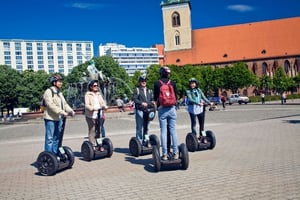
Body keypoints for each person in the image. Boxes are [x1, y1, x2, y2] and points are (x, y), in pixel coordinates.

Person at [43, 74, 75, 155]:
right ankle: (48, 156)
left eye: (61, 81)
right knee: (50, 139)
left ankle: (55, 154)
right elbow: (50, 105)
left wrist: (71, 111)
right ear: (54, 82)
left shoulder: (59, 93)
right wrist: (61, 112)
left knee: (57, 138)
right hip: (50, 118)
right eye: (59, 81)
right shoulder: (48, 92)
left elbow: (64, 104)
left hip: (59, 118)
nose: (61, 83)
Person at [154, 66, 179, 160]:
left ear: (160, 73)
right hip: (172, 109)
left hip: (163, 109)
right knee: (173, 131)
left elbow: (155, 98)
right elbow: (176, 96)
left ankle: (164, 154)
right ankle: (176, 152)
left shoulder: (157, 83)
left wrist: (157, 107)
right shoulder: (173, 83)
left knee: (163, 131)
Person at [186, 78, 213, 144]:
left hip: (200, 108)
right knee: (194, 124)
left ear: (196, 84)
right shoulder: (188, 91)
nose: (192, 84)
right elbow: (190, 99)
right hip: (192, 109)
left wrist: (209, 102)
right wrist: (197, 103)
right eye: (191, 83)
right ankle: (194, 137)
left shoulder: (198, 90)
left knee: (202, 124)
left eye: (193, 83)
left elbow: (203, 97)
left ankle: (203, 136)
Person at [84, 80, 107, 150]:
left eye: (97, 86)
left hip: (99, 114)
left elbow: (102, 102)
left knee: (99, 130)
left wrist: (104, 106)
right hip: (91, 115)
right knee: (92, 130)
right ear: (91, 87)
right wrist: (92, 108)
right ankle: (92, 145)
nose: (96, 87)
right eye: (94, 86)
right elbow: (86, 104)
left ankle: (99, 144)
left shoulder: (99, 94)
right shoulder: (88, 94)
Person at [133, 75, 155, 147]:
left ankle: (145, 141)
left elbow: (152, 100)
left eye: (145, 81)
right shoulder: (137, 90)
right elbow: (135, 99)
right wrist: (141, 103)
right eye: (142, 81)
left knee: (147, 127)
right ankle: (139, 143)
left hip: (147, 111)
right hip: (140, 110)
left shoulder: (150, 90)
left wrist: (152, 103)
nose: (144, 82)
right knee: (139, 127)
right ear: (139, 82)